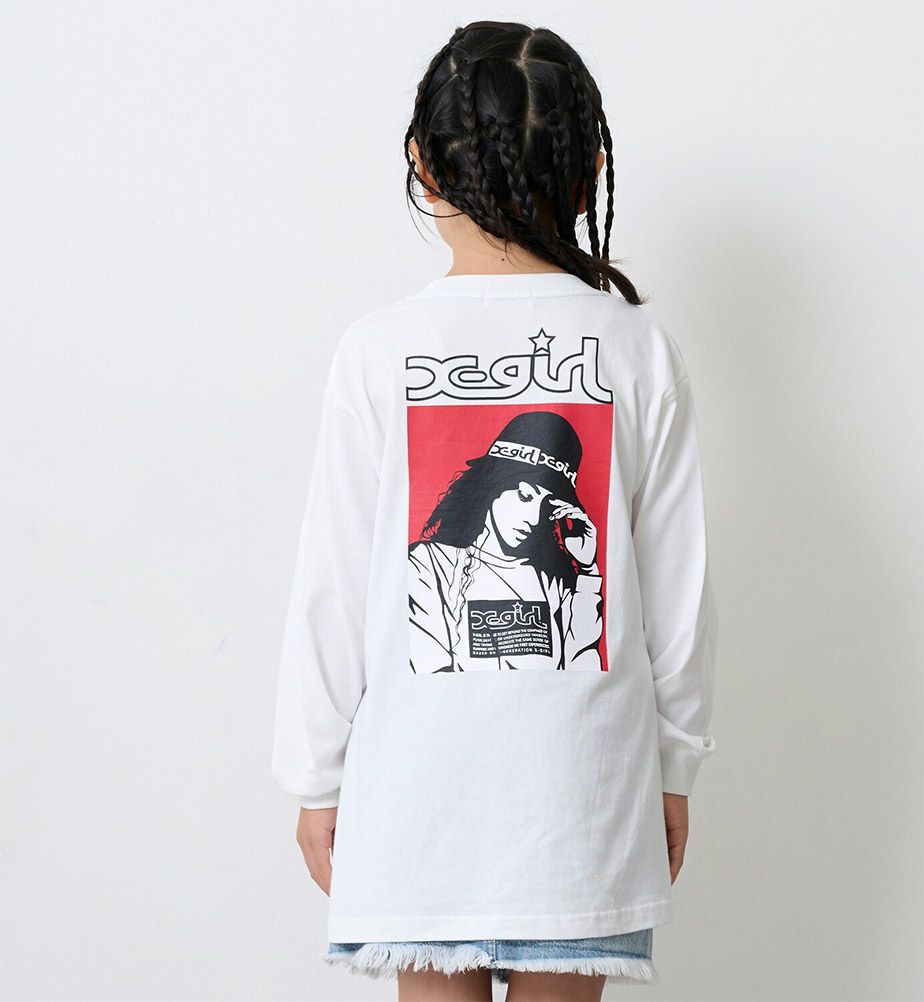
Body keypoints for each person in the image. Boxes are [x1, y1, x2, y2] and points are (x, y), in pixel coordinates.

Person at [271, 20, 718, 1002]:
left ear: (423, 165)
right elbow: (680, 595)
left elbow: (330, 581)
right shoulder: (637, 348)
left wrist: (315, 774)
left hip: (426, 796)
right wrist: (674, 765)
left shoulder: (379, 349)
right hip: (584, 792)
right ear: (589, 169)